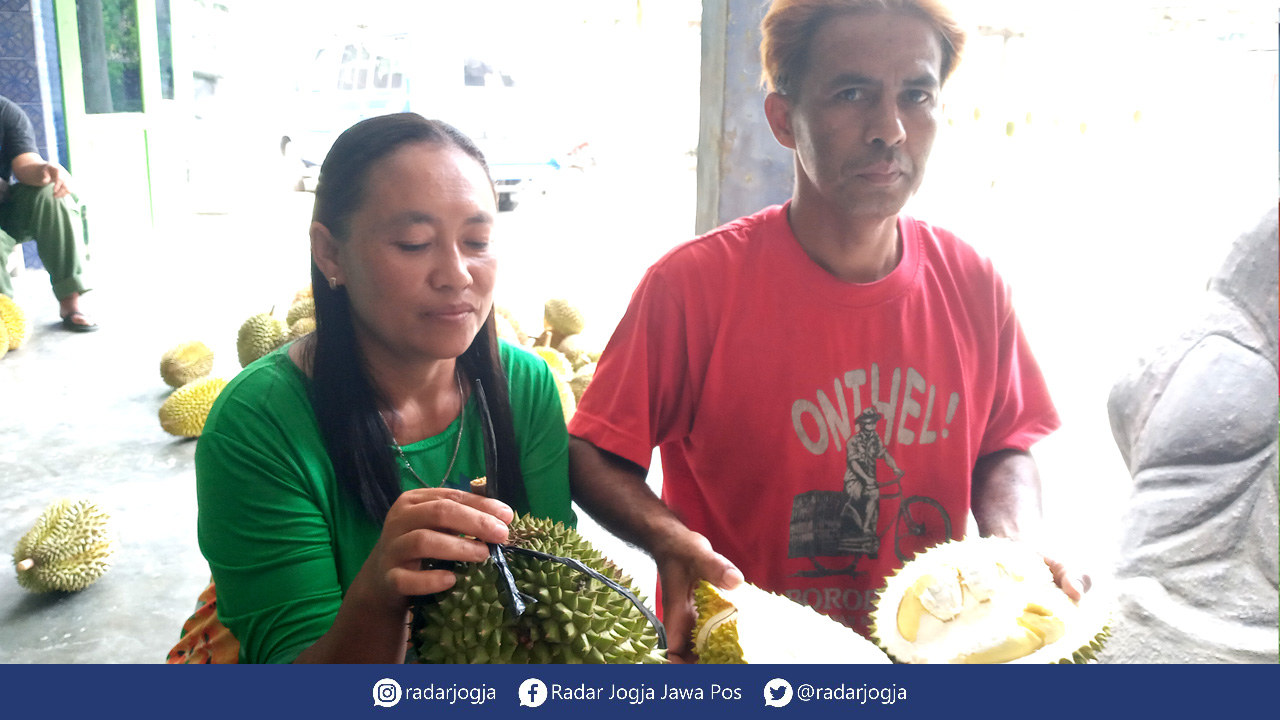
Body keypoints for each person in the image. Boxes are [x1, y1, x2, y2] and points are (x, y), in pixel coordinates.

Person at [567, 0, 1085, 661]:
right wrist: (668, 537)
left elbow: (1006, 442)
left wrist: (1017, 536)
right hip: (752, 660)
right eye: (852, 93)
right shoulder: (693, 288)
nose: (890, 128)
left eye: (917, 95)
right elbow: (593, 451)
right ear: (785, 119)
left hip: (933, 656)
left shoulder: (974, 283)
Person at [194, 113, 575, 663]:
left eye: (477, 240)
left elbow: (558, 592)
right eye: (414, 242)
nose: (457, 274)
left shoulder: (526, 386)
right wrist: (378, 595)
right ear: (330, 254)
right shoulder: (257, 423)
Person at [0, 94, 96, 331]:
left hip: (6, 212)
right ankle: (4, 316)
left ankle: (70, 300)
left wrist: (46, 169)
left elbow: (25, 165)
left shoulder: (6, 113)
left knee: (50, 193)